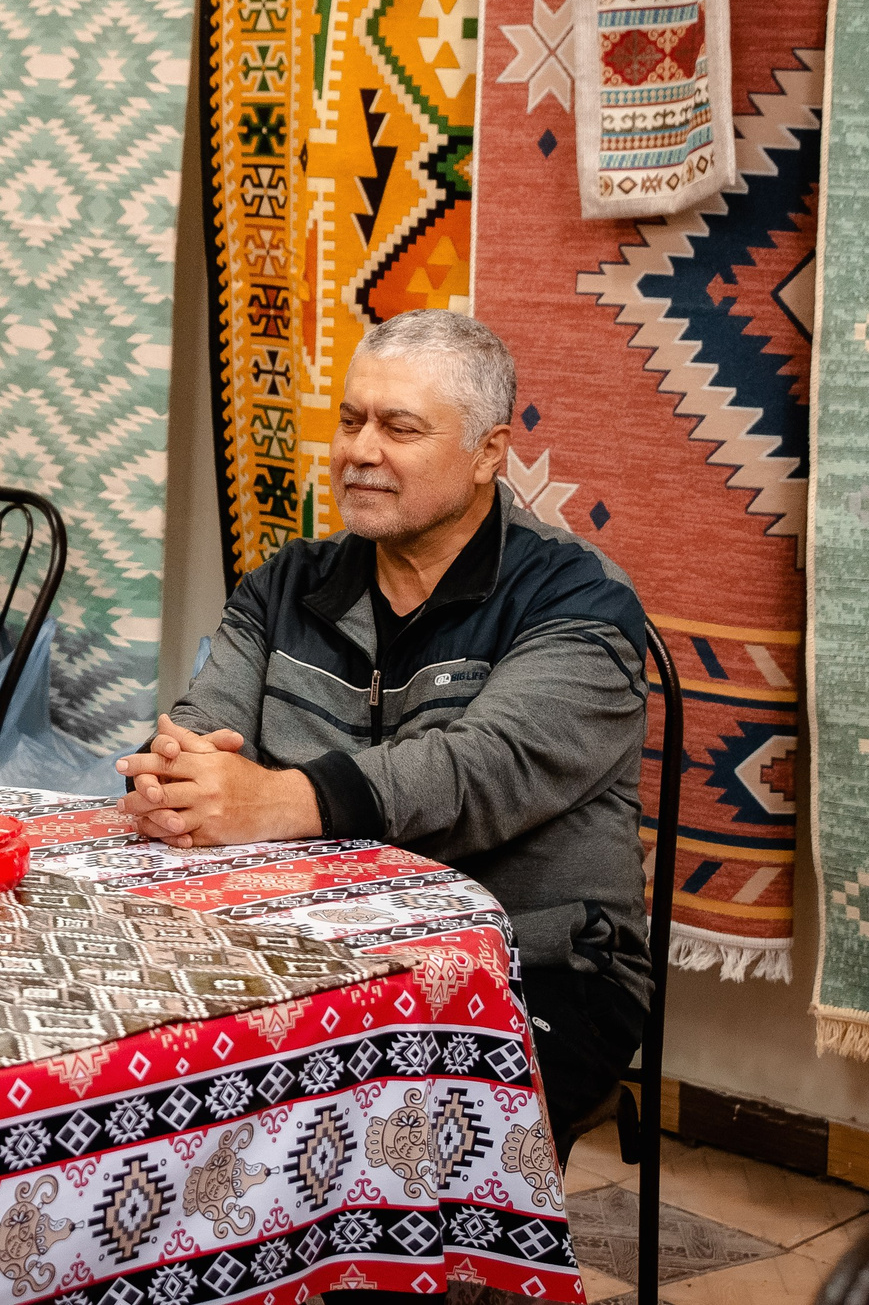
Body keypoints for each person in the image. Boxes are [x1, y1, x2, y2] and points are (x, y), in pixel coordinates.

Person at [117, 309, 649, 1165]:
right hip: (312, 940)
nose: (360, 449)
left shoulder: (579, 603)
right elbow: (202, 733)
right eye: (351, 419)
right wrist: (180, 783)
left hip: (532, 962)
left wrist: (280, 799)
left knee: (382, 1137)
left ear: (488, 453)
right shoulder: (287, 583)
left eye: (400, 427)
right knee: (143, 1082)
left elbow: (479, 772)